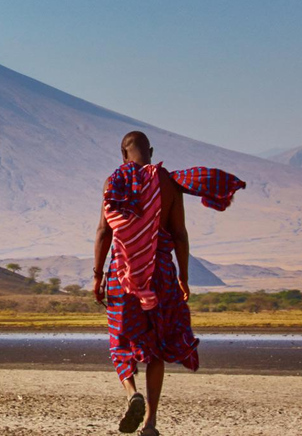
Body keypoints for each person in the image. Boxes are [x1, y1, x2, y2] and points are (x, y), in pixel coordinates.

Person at [93, 131, 245, 436]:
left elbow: (103, 232)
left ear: (124, 155)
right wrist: (183, 275)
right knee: (158, 347)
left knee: (120, 340)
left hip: (123, 274)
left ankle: (131, 393)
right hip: (160, 274)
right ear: (151, 150)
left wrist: (97, 275)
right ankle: (150, 423)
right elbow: (180, 235)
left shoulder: (115, 183)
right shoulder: (169, 183)